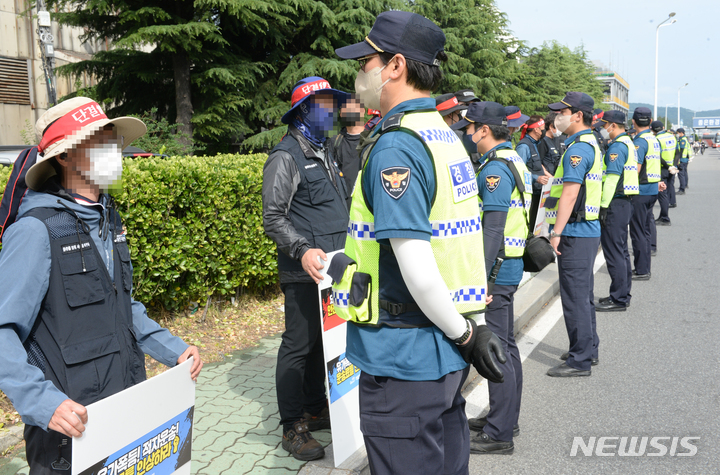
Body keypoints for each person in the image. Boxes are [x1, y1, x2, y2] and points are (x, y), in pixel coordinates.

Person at [333, 11, 506, 474]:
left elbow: (416, 264)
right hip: (445, 348)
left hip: (405, 353)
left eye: (367, 61)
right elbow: (463, 242)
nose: (360, 73)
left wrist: (467, 333)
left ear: (395, 67)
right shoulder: (446, 138)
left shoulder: (398, 146)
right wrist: (473, 327)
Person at [0, 97, 203, 474]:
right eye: (100, 142)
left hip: (124, 410)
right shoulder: (34, 231)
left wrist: (173, 349)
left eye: (115, 142)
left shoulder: (108, 220)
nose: (115, 153)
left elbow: (122, 305)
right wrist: (45, 404)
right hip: (70, 430)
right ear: (64, 157)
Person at [262, 76, 350, 461]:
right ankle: (292, 425)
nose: (331, 112)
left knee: (321, 342)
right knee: (298, 345)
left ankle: (316, 407)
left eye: (333, 104)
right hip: (304, 271)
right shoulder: (286, 156)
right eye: (323, 105)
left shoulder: (324, 150)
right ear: (302, 112)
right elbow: (273, 216)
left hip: (331, 270)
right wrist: (300, 250)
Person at [451, 102, 531, 455]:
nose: (468, 134)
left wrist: (479, 279)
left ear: (484, 129)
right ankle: (505, 416)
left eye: (470, 128)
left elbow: (493, 227)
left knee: (497, 349)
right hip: (508, 267)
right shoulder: (515, 160)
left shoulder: (494, 170)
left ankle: (499, 433)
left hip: (496, 271)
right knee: (508, 347)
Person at [544, 92, 602, 377]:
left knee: (575, 296)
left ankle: (579, 360)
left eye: (562, 112)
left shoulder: (579, 149)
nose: (558, 117)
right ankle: (588, 348)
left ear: (577, 115)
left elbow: (569, 194)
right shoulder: (586, 143)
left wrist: (556, 232)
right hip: (586, 231)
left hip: (575, 232)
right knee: (584, 294)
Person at [595, 111, 639, 312]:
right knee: (620, 251)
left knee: (614, 253)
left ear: (612, 125)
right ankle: (621, 294)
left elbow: (612, 178)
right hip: (624, 202)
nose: (603, 129)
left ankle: (619, 298)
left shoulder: (618, 147)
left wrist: (603, 206)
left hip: (615, 202)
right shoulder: (628, 143)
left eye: (604, 125)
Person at [629, 107, 662, 279]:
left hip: (641, 191)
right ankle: (645, 267)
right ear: (650, 122)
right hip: (652, 188)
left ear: (633, 121)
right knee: (646, 229)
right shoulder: (653, 139)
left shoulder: (640, 142)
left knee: (638, 231)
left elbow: (636, 169)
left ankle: (642, 270)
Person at [516, 115, 553, 231]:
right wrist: (536, 178)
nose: (544, 130)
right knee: (530, 224)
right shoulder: (524, 146)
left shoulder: (534, 144)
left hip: (537, 192)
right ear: (536, 130)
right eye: (542, 128)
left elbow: (535, 164)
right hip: (529, 193)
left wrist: (546, 173)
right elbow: (519, 170)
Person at [332, 97, 366, 208]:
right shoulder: (334, 141)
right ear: (341, 113)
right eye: (344, 108)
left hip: (365, 209)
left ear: (362, 110)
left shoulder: (372, 140)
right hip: (341, 208)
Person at [652, 121, 677, 226]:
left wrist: (667, 166)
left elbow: (658, 156)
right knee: (668, 191)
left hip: (662, 168)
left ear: (653, 130)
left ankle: (665, 218)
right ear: (662, 127)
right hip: (672, 168)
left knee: (662, 194)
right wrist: (673, 166)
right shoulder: (672, 137)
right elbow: (678, 152)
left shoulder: (657, 139)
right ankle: (662, 216)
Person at [676, 128, 692, 194]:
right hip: (685, 158)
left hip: (682, 159)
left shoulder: (682, 140)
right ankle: (685, 184)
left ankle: (682, 189)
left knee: (681, 174)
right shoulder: (685, 139)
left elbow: (681, 150)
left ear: (681, 133)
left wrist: (678, 159)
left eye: (678, 133)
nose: (677, 134)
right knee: (684, 172)